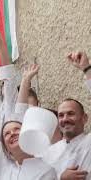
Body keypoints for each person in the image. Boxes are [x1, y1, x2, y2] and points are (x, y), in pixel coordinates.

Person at [46, 51, 91, 180]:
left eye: (71, 114)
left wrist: (87, 69)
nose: (65, 119)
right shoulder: (50, 152)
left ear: (84, 118)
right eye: (61, 115)